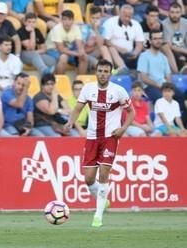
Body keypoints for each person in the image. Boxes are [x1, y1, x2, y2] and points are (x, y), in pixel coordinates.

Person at [64, 59, 135, 228]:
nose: (103, 74)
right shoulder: (88, 89)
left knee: (104, 172)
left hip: (111, 137)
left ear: (110, 74)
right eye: (100, 71)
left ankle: (98, 215)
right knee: (88, 179)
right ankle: (103, 200)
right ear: (95, 72)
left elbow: (131, 112)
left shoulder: (118, 91)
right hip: (92, 137)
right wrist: (70, 122)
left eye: (106, 71)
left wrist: (123, 129)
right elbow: (77, 109)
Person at [102, 5, 144, 72]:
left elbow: (139, 43)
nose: (127, 19)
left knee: (144, 55)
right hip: (116, 52)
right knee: (111, 48)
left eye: (129, 17)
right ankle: (124, 70)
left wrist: (135, 53)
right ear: (120, 14)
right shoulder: (110, 22)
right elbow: (105, 41)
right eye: (125, 16)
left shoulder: (136, 24)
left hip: (130, 53)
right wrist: (119, 49)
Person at [45, 10, 88, 75]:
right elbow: (61, 49)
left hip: (68, 50)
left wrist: (81, 52)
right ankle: (60, 81)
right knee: (64, 57)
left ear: (73, 21)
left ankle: (80, 81)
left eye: (69, 19)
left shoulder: (76, 28)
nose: (67, 22)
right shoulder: (57, 29)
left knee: (84, 57)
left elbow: (79, 45)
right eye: (64, 19)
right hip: (52, 50)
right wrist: (76, 54)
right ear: (61, 20)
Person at [137, 29, 173, 103]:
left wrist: (168, 87)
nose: (158, 41)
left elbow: (168, 76)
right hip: (149, 87)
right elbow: (144, 78)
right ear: (150, 41)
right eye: (155, 39)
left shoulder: (163, 57)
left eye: (160, 38)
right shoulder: (144, 56)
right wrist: (159, 86)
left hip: (164, 86)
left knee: (181, 96)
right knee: (163, 99)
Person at [162, 2, 187, 72]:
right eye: (172, 12)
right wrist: (185, 51)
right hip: (173, 53)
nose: (175, 15)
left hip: (184, 50)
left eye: (177, 12)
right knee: (179, 56)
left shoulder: (186, 23)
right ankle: (181, 71)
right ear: (169, 13)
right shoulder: (164, 24)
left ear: (181, 13)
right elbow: (169, 45)